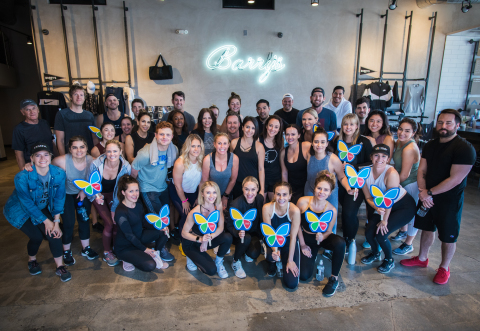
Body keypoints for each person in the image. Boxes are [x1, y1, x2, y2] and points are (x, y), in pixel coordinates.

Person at [401, 109, 476, 284]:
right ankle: (422, 258)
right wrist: (423, 191)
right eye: (441, 122)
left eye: (448, 123)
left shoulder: (465, 148)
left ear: (457, 125)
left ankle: (444, 267)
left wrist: (429, 193)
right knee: (427, 228)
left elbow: (455, 179)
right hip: (427, 195)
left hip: (449, 200)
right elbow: (422, 169)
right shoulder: (431, 145)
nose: (443, 126)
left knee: (448, 235)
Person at [3, 143, 71, 282]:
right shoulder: (22, 177)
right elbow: (26, 203)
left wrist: (56, 222)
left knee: (54, 233)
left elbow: (59, 198)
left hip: (40, 206)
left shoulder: (58, 173)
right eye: (38, 155)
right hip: (19, 211)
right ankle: (32, 260)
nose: (42, 158)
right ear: (32, 158)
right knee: (36, 237)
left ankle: (60, 266)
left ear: (51, 157)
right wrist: (46, 221)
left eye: (46, 154)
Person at [360, 144, 416, 273]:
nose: (380, 159)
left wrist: (384, 220)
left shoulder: (391, 173)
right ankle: (375, 253)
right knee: (369, 232)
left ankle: (389, 260)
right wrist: (376, 207)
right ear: (371, 157)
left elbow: (389, 200)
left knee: (381, 234)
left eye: (384, 156)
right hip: (382, 206)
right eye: (376, 155)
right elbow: (368, 197)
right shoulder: (364, 173)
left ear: (388, 158)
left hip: (403, 206)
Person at [131, 122, 178, 262]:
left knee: (165, 216)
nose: (164, 137)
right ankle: (160, 249)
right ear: (156, 135)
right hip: (148, 188)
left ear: (172, 136)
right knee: (159, 220)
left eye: (167, 135)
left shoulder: (173, 149)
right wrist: (135, 192)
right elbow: (133, 172)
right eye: (161, 134)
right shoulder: (145, 153)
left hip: (163, 187)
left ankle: (160, 240)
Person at [297, 170, 346, 297]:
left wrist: (323, 236)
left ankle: (334, 279)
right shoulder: (302, 202)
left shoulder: (332, 210)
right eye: (319, 188)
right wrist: (302, 244)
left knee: (340, 242)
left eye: (325, 190)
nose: (321, 192)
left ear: (330, 193)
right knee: (303, 276)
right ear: (314, 187)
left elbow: (329, 230)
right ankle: (311, 256)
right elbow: (296, 225)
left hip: (323, 238)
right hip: (307, 239)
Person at [51, 136, 99, 265]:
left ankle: (86, 248)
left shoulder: (92, 160)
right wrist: (29, 165)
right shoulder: (61, 161)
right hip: (66, 194)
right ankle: (66, 251)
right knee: (68, 223)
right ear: (70, 150)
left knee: (84, 219)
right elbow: (44, 165)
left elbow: (99, 173)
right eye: (75, 147)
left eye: (82, 147)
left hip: (82, 194)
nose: (79, 150)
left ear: (87, 148)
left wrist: (84, 189)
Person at [331, 113, 373, 246]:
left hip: (356, 183)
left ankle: (350, 240)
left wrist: (353, 166)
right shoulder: (337, 141)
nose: (348, 127)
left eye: (351, 124)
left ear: (357, 126)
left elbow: (371, 163)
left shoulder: (364, 142)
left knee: (349, 212)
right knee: (344, 211)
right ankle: (345, 235)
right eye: (345, 124)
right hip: (339, 182)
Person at [89, 140, 132, 267]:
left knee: (115, 221)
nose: (112, 154)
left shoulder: (125, 167)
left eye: (115, 151)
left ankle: (116, 247)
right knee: (108, 223)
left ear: (120, 152)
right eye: (108, 151)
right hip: (99, 196)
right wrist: (96, 195)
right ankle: (107, 252)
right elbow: (89, 184)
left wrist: (114, 209)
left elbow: (121, 189)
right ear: (104, 152)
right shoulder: (95, 164)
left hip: (116, 196)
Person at [114, 175, 169, 272]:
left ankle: (157, 255)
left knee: (163, 232)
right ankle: (126, 259)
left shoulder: (138, 204)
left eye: (136, 190)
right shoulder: (121, 212)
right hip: (125, 247)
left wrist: (159, 227)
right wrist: (145, 249)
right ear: (123, 192)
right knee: (150, 265)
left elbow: (144, 222)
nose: (135, 194)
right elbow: (129, 236)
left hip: (139, 238)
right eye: (131, 191)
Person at [181, 181, 233, 278]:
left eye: (214, 192)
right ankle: (191, 257)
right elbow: (184, 233)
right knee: (211, 270)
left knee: (227, 237)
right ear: (202, 194)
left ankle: (218, 262)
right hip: (193, 242)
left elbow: (221, 227)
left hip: (207, 239)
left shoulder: (218, 205)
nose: (212, 196)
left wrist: (208, 238)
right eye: (208, 192)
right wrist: (200, 240)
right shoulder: (194, 212)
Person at [390, 118, 421, 255]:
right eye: (400, 129)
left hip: (410, 184)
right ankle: (402, 232)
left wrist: (390, 185)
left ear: (413, 133)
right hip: (402, 182)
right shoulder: (399, 142)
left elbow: (404, 175)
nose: (402, 133)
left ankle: (408, 244)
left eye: (407, 131)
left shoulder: (409, 148)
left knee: (411, 214)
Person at [262, 182, 301, 290]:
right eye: (278, 194)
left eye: (284, 194)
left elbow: (293, 237)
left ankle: (283, 261)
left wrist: (290, 260)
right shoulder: (267, 208)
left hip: (288, 241)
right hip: (273, 239)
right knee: (271, 256)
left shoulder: (295, 211)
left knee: (292, 284)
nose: (281, 198)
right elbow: (269, 233)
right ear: (274, 195)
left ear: (290, 196)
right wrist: (275, 250)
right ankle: (273, 263)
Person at [225, 176, 264, 278]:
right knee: (246, 238)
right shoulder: (235, 204)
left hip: (253, 233)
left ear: (258, 190)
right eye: (246, 189)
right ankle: (235, 261)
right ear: (242, 189)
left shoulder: (260, 199)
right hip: (240, 234)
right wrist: (237, 232)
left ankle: (246, 250)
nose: (249, 193)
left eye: (253, 189)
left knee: (254, 254)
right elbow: (229, 225)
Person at [170, 134, 203, 232]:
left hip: (192, 191)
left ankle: (191, 237)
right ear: (188, 147)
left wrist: (199, 197)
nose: (196, 149)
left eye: (198, 146)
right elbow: (178, 185)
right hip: (178, 191)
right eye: (193, 146)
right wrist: (184, 201)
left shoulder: (201, 160)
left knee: (195, 214)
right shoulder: (180, 163)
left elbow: (201, 182)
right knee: (186, 215)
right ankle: (183, 240)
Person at [54, 84, 98, 154]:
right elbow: (60, 140)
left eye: (81, 95)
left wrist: (95, 155)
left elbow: (94, 138)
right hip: (70, 155)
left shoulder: (89, 115)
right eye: (75, 94)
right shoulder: (61, 114)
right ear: (71, 97)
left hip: (88, 155)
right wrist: (63, 157)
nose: (78, 97)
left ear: (84, 98)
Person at [13, 99, 54, 171]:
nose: (32, 112)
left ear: (38, 110)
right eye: (28, 110)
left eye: (34, 108)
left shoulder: (45, 123)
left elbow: (51, 142)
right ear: (22, 112)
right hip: (32, 166)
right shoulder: (19, 129)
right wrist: (23, 172)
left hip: (49, 163)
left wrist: (56, 158)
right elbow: (18, 153)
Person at [201, 132, 239, 209]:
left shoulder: (234, 158)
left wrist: (225, 197)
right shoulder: (207, 159)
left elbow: (233, 180)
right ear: (214, 144)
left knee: (226, 218)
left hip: (228, 194)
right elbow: (206, 181)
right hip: (210, 195)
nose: (222, 146)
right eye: (219, 143)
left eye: (225, 143)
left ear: (228, 145)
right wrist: (213, 198)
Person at [231, 117, 265, 200]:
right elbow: (230, 164)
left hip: (252, 186)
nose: (250, 130)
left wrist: (262, 190)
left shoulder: (259, 146)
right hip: (237, 184)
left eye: (253, 128)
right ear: (242, 127)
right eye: (247, 127)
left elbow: (261, 169)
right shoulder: (234, 143)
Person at [281, 124, 310, 204]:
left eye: (293, 134)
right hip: (292, 187)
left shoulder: (306, 146)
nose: (290, 137)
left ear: (299, 135)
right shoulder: (283, 152)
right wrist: (286, 191)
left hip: (306, 186)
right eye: (287, 134)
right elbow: (284, 173)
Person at [260, 115, 284, 200]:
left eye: (276, 127)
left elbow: (282, 163)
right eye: (270, 125)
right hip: (261, 178)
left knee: (274, 204)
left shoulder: (281, 141)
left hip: (275, 178)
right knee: (261, 205)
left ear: (279, 129)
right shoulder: (259, 140)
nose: (272, 129)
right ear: (266, 126)